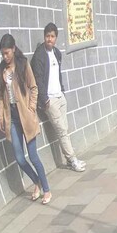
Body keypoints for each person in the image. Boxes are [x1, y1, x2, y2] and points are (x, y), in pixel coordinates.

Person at [0, 34, 51, 204]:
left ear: (13, 49)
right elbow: (0, 93)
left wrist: (31, 108)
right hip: (11, 118)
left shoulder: (23, 64)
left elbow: (34, 87)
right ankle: (37, 182)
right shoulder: (2, 69)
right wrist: (0, 116)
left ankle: (47, 189)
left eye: (7, 53)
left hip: (25, 116)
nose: (5, 57)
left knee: (33, 156)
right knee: (20, 158)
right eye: (2, 54)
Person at [30, 23, 85, 172]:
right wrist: (44, 99)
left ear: (56, 38)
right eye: (47, 36)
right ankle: (73, 160)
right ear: (44, 37)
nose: (49, 39)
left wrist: (62, 91)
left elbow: (57, 74)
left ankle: (68, 160)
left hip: (60, 97)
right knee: (62, 130)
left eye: (52, 36)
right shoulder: (39, 55)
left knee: (65, 129)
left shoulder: (57, 53)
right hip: (50, 100)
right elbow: (38, 79)